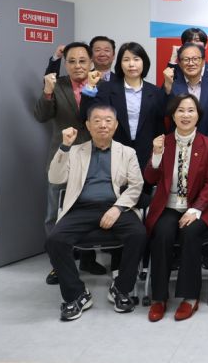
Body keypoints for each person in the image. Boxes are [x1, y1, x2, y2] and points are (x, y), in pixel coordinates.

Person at [45, 105, 146, 321]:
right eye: (97, 120)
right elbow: (55, 178)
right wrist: (64, 146)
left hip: (116, 206)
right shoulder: (74, 151)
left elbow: (136, 185)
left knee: (138, 234)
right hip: (81, 208)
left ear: (116, 125)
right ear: (88, 126)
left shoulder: (127, 153)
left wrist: (117, 208)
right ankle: (76, 294)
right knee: (55, 239)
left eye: (108, 120)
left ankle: (121, 288)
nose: (103, 125)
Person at [143, 94, 208, 322]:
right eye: (180, 110)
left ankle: (190, 297)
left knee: (190, 232)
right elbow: (150, 178)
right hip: (168, 205)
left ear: (198, 115)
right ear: (173, 115)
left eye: (190, 110)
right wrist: (156, 155)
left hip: (197, 207)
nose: (185, 115)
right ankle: (159, 297)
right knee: (162, 233)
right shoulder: (163, 142)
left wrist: (195, 210)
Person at [34, 42, 95, 283]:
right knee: (54, 213)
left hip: (93, 157)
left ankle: (88, 259)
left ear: (91, 62)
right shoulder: (56, 85)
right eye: (72, 61)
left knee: (89, 209)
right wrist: (47, 92)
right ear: (65, 64)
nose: (78, 65)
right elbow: (41, 115)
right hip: (62, 156)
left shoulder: (100, 85)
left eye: (82, 60)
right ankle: (58, 265)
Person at [81, 42, 167, 174]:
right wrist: (90, 87)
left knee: (144, 185)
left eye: (136, 59)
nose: (131, 64)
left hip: (146, 154)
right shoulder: (107, 88)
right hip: (112, 152)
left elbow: (160, 126)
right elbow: (86, 115)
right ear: (120, 64)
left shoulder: (155, 92)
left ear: (144, 62)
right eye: (126, 60)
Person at [163, 43, 208, 142]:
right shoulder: (171, 85)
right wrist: (167, 87)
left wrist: (207, 141)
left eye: (195, 59)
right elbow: (164, 112)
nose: (191, 63)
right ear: (180, 63)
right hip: (178, 142)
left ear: (203, 61)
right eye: (186, 59)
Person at [45, 36, 116, 82]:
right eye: (97, 50)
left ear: (113, 55)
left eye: (107, 50)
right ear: (90, 55)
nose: (102, 54)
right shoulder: (79, 75)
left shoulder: (121, 81)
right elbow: (50, 82)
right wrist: (57, 56)